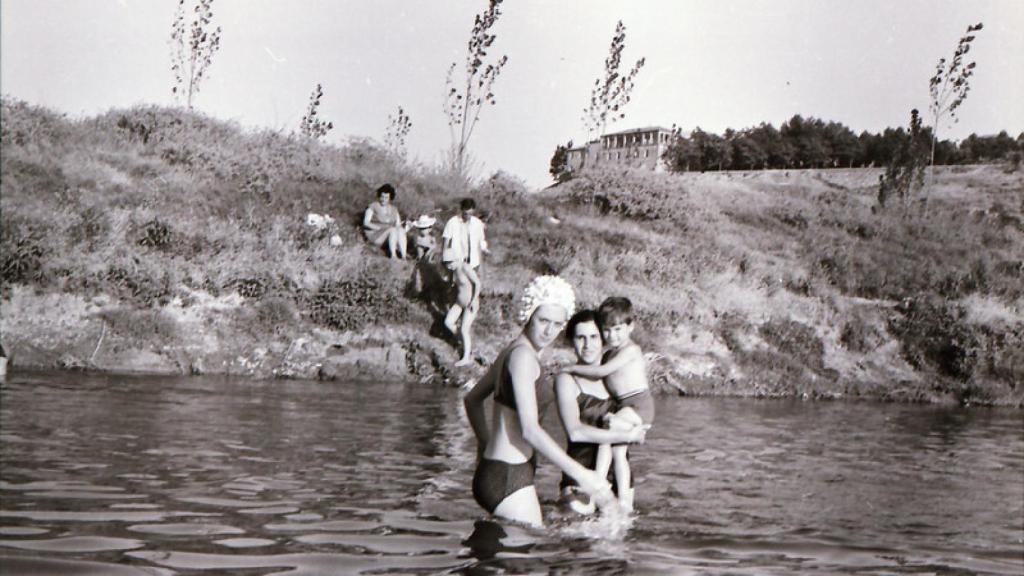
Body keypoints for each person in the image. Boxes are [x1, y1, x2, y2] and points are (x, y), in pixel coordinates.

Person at [463, 275, 619, 527]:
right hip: (509, 477)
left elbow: (472, 399)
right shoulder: (523, 358)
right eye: (543, 320)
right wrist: (582, 475)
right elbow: (530, 430)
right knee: (534, 547)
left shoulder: (513, 351)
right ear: (528, 314)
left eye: (557, 324)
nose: (549, 331)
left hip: (499, 471)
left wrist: (484, 444)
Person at [561, 296, 653, 512]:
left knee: (619, 528)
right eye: (580, 337)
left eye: (594, 336)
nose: (588, 344)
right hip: (582, 474)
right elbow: (575, 433)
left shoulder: (611, 364)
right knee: (578, 529)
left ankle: (610, 487)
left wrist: (631, 432)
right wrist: (628, 436)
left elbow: (620, 379)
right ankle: (598, 481)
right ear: (571, 341)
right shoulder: (567, 380)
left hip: (620, 478)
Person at [442, 198, 489, 367]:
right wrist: (446, 259)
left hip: (471, 264)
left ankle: (466, 354)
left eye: (471, 213)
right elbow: (445, 242)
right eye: (465, 213)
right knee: (449, 322)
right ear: (461, 210)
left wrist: (473, 300)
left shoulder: (477, 224)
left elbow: (479, 245)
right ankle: (464, 343)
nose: (468, 216)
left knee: (464, 327)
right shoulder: (453, 222)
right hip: (456, 257)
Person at [362, 183, 407, 259]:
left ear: (390, 198)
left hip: (390, 236)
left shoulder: (394, 209)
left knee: (400, 230)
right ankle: (393, 256)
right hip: (375, 234)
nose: (383, 199)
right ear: (379, 196)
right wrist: (379, 228)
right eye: (382, 196)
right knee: (392, 230)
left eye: (386, 197)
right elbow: (366, 223)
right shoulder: (373, 206)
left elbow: (398, 225)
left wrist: (405, 227)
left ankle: (404, 256)